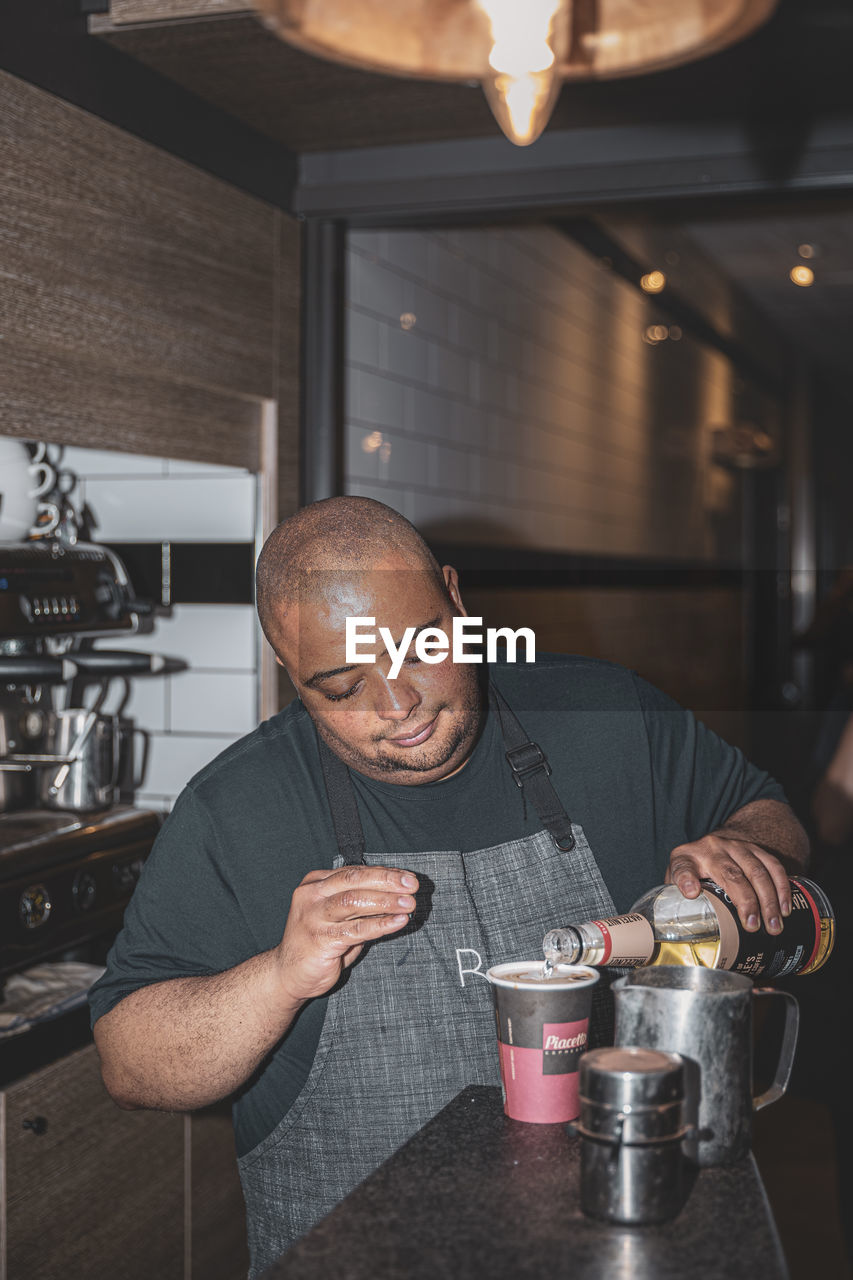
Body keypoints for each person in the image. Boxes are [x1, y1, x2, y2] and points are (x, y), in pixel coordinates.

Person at [90, 497, 809, 1278]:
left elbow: (766, 811)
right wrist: (278, 976)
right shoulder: (236, 809)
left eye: (421, 648)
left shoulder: (606, 717)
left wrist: (745, 848)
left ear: (457, 600)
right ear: (286, 670)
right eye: (340, 687)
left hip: (623, 1250)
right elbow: (131, 1066)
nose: (397, 707)